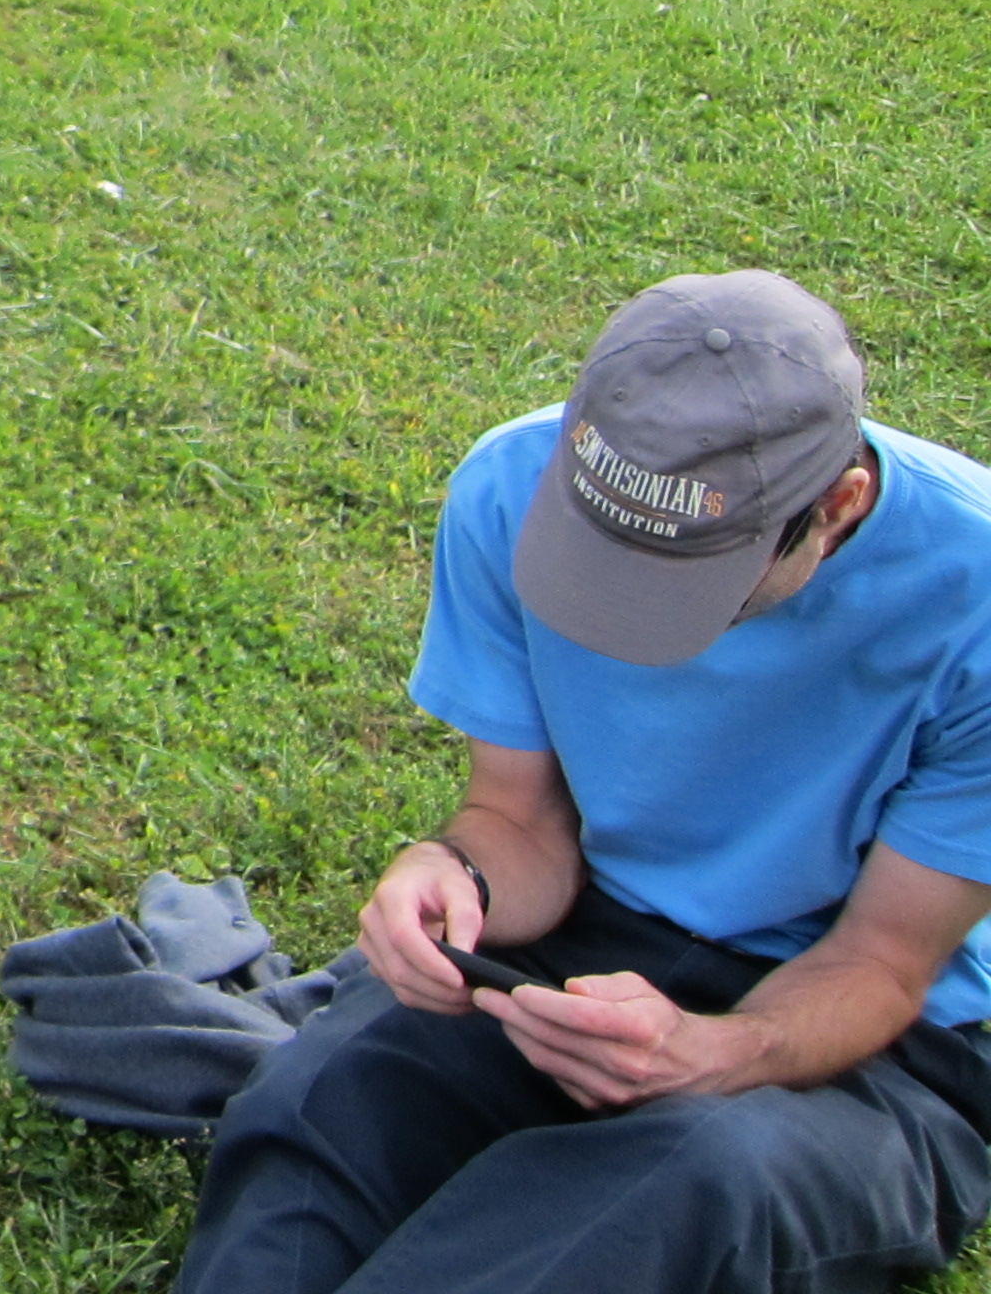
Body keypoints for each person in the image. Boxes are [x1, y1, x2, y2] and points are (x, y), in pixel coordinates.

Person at [179, 270, 991, 1294]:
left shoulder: (976, 593)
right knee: (323, 1096)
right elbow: (516, 820)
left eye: (692, 579)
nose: (629, 615)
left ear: (837, 507)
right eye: (605, 556)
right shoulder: (510, 487)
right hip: (585, 942)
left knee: (686, 1179)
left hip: (879, 1042)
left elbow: (885, 961)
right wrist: (455, 873)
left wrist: (714, 1053)